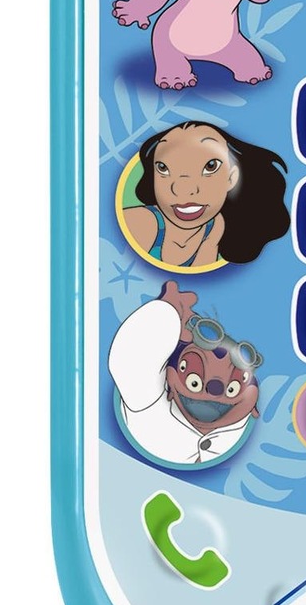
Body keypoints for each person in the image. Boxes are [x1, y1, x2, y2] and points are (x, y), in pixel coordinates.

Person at [107, 280, 261, 471]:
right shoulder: (148, 403)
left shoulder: (243, 429)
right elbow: (128, 361)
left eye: (233, 388)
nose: (213, 393)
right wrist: (166, 313)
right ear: (168, 376)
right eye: (194, 382)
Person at [119, 121, 288, 270]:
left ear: (231, 177)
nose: (183, 189)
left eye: (210, 166)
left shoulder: (217, 227)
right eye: (163, 168)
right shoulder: (140, 223)